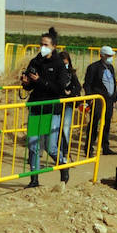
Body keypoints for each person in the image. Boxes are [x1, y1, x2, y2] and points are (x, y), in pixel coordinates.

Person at [19, 27, 70, 188]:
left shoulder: (59, 64)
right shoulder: (35, 61)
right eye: (41, 44)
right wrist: (26, 83)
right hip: (36, 108)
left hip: (51, 110)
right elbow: (29, 87)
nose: (42, 47)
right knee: (33, 145)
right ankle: (34, 179)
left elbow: (59, 89)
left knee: (50, 147)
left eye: (46, 44)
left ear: (53, 46)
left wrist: (40, 80)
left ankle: (63, 166)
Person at [82, 45, 117, 156]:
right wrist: (91, 97)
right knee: (94, 123)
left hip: (109, 100)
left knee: (106, 124)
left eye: (111, 56)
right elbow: (87, 85)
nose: (110, 57)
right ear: (102, 55)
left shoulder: (110, 67)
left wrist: (114, 99)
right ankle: (89, 148)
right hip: (97, 100)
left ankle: (105, 147)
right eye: (108, 56)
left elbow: (113, 83)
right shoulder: (93, 68)